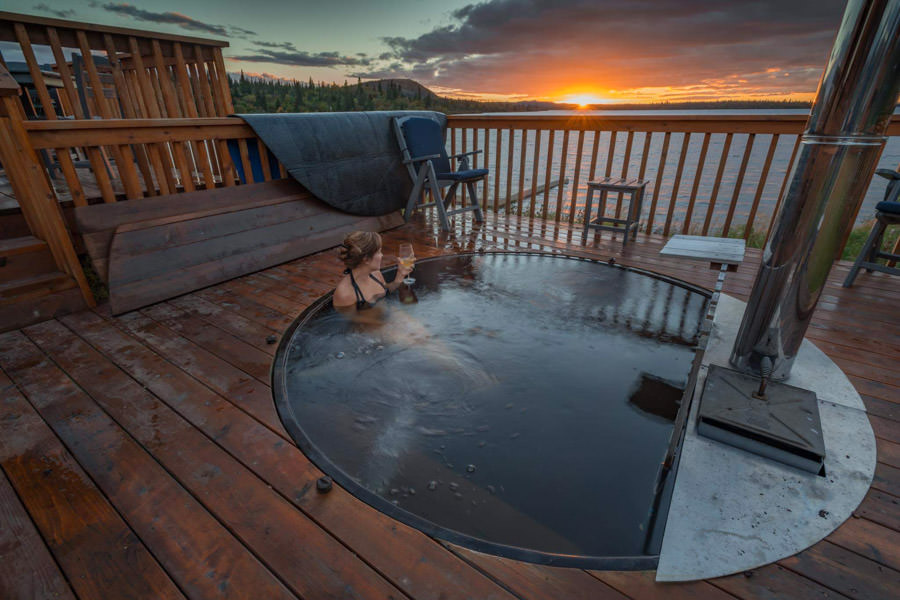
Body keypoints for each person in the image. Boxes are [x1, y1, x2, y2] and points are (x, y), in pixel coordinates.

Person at [333, 231, 413, 311]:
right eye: (378, 252)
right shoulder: (344, 293)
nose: (382, 255)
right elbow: (352, 320)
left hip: (387, 315)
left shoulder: (376, 275)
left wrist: (400, 275)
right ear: (366, 259)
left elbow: (387, 291)